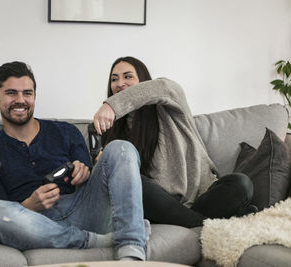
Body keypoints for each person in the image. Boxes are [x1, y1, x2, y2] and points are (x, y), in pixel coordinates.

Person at [0, 61, 149, 261]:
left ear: (34, 97)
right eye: (11, 93)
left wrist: (84, 170)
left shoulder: (66, 132)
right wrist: (30, 205)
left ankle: (131, 253)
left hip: (84, 209)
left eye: (27, 93)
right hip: (36, 223)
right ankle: (97, 241)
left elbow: (90, 176)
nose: (20, 100)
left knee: (121, 147)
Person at [93, 56, 256, 228]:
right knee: (128, 178)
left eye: (128, 76)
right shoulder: (111, 129)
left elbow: (163, 86)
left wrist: (111, 106)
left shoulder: (168, 106)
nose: (119, 83)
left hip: (204, 195)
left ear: (143, 80)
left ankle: (192, 221)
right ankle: (202, 223)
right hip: (160, 205)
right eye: (114, 79)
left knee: (241, 184)